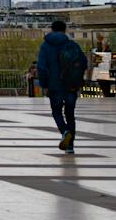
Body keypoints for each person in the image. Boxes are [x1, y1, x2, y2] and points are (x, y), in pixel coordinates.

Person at [36, 19, 89, 152]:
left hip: (54, 84)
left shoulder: (45, 46)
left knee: (56, 111)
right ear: (65, 30)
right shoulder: (72, 45)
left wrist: (44, 84)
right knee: (70, 114)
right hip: (71, 84)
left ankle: (64, 132)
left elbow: (41, 67)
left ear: (51, 30)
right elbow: (83, 62)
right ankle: (70, 146)